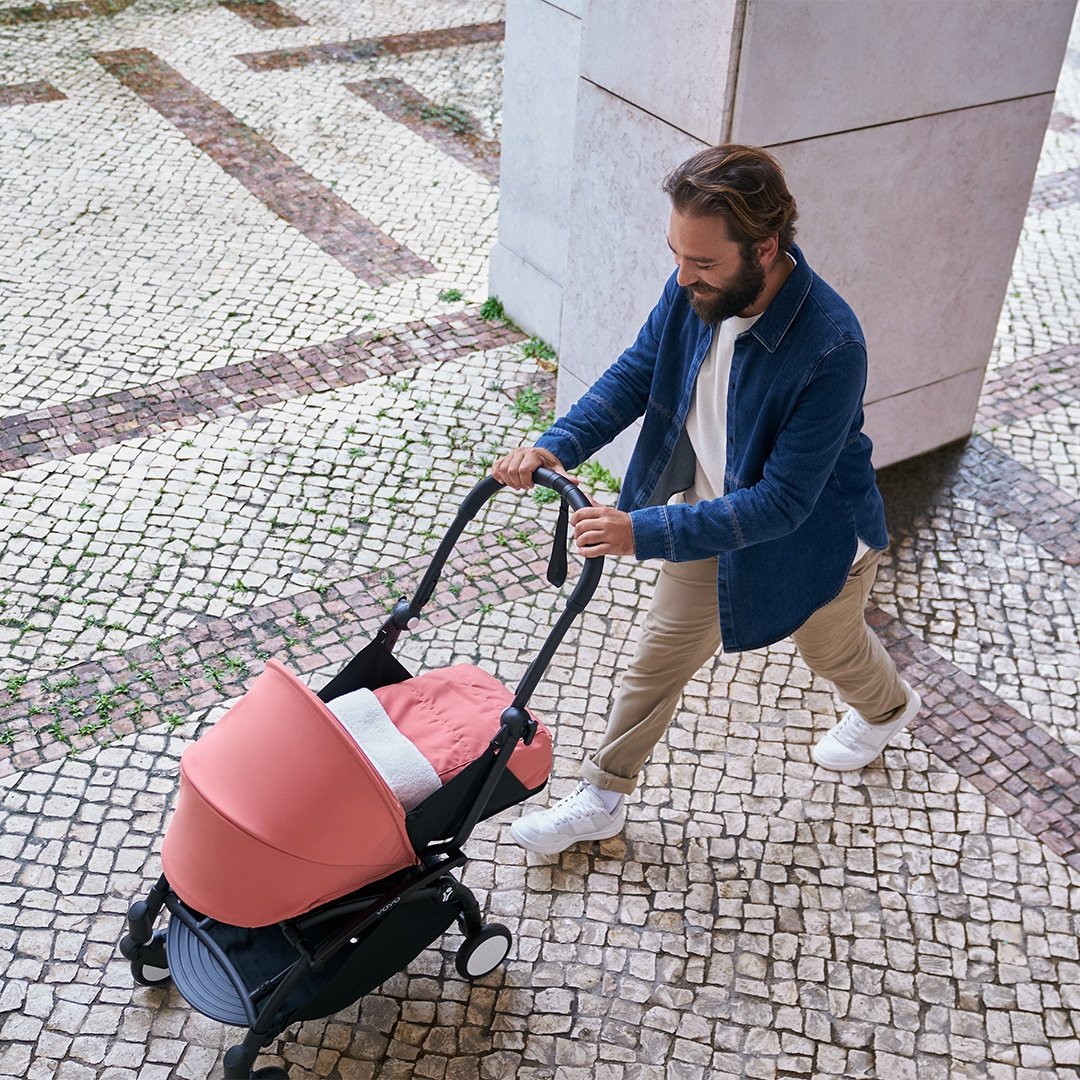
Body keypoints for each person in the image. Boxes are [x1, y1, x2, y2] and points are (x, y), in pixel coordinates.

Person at [492, 144, 921, 856]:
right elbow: (638, 372)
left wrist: (641, 530)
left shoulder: (831, 345)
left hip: (816, 543)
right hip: (708, 521)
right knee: (657, 659)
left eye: (703, 262)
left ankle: (888, 707)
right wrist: (556, 444)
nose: (683, 275)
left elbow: (782, 503)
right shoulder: (694, 288)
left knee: (832, 647)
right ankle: (603, 796)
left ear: (765, 248)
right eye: (677, 255)